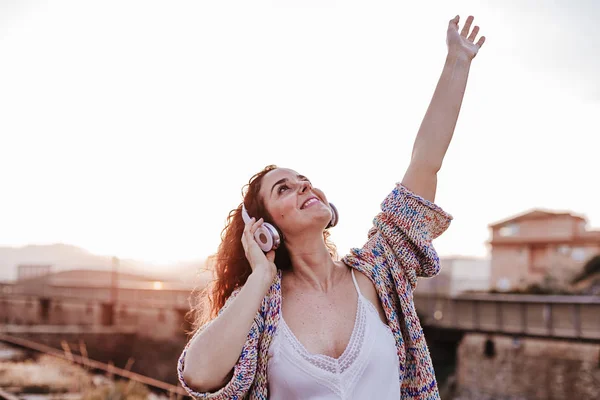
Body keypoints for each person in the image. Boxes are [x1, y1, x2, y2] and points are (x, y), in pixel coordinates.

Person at [178, 14, 485, 400]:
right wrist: (259, 276)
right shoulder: (260, 304)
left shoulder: (380, 271)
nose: (304, 185)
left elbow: (425, 162)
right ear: (264, 228)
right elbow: (200, 376)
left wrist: (458, 61)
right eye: (283, 189)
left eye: (304, 179)